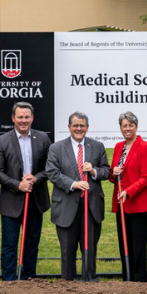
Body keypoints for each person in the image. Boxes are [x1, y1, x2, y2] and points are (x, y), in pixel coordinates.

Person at [45, 111, 110, 281]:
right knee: (68, 249)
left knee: (89, 248)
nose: (79, 129)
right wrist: (73, 184)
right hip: (66, 206)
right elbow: (52, 173)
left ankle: (89, 282)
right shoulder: (56, 148)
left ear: (87, 128)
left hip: (91, 207)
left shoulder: (97, 146)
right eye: (75, 125)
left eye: (82, 126)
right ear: (69, 127)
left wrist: (94, 171)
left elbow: (106, 171)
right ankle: (68, 285)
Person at [0, 102, 51, 281]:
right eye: (20, 117)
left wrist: (36, 178)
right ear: (13, 118)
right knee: (9, 245)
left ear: (32, 118)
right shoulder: (2, 141)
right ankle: (9, 281)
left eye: (26, 117)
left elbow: (50, 168)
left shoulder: (43, 138)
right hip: (12, 201)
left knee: (31, 243)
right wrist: (18, 185)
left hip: (36, 200)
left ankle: (28, 279)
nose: (23, 121)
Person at [110, 111, 147, 281]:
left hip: (139, 204)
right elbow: (113, 175)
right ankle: (127, 278)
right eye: (124, 126)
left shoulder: (145, 146)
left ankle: (139, 280)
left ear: (136, 127)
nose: (127, 129)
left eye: (130, 125)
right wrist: (113, 173)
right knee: (124, 244)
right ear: (120, 128)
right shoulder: (118, 147)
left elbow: (146, 177)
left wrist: (128, 192)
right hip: (121, 204)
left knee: (137, 245)